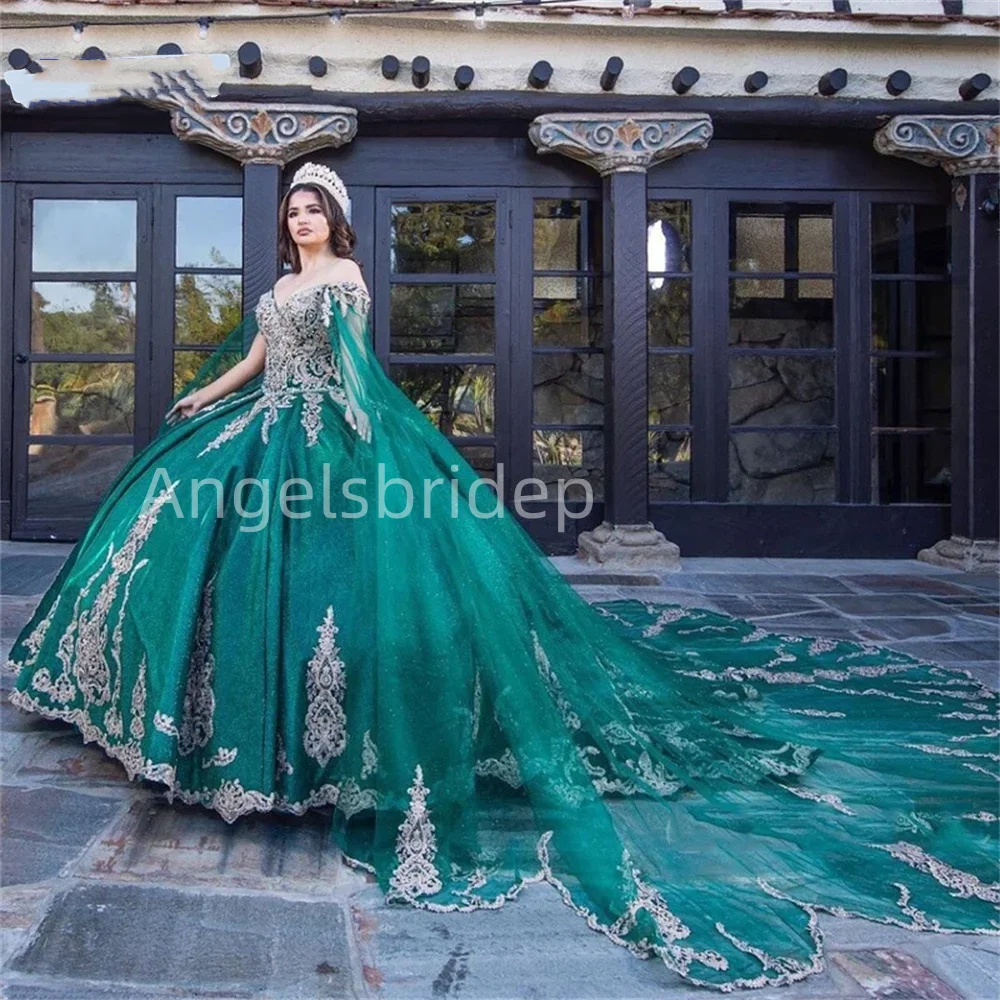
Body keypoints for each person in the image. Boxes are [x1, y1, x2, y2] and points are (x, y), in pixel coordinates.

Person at [6, 162, 997, 993]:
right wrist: (202, 390)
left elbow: (351, 368)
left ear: (334, 220)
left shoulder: (344, 276)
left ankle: (310, 750)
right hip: (259, 428)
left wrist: (365, 437)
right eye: (293, 210)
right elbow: (264, 355)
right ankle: (202, 728)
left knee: (348, 594)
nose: (301, 218)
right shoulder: (281, 284)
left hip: (325, 439)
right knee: (181, 545)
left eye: (312, 207)